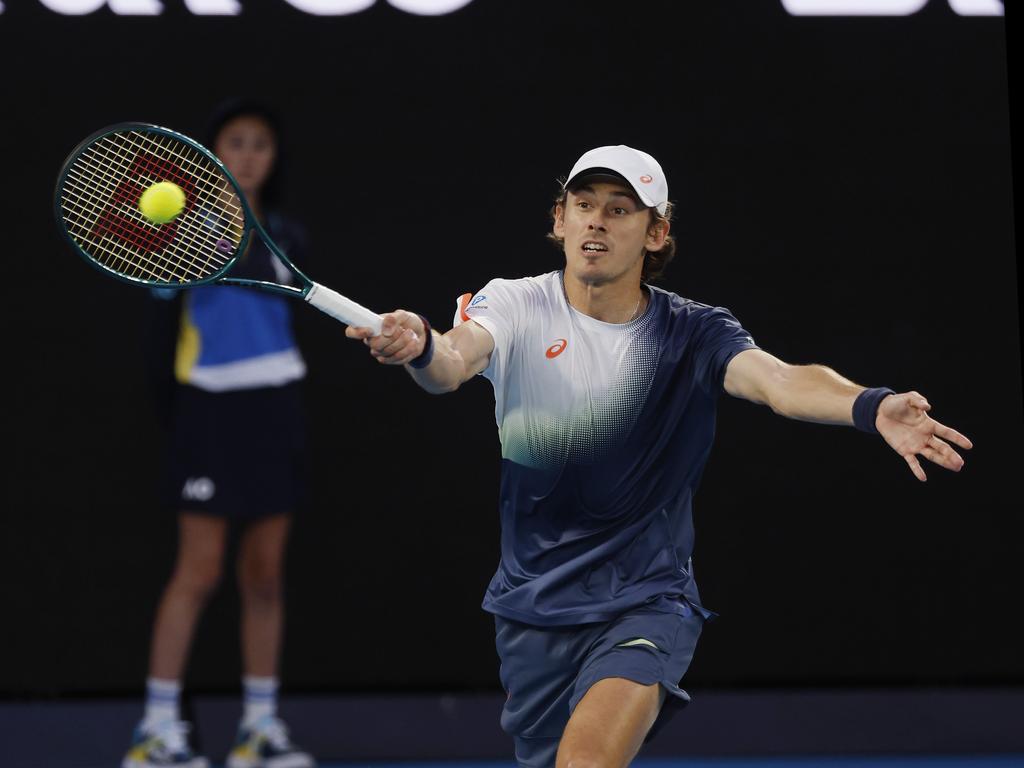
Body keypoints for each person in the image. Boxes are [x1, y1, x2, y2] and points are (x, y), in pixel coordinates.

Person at [344, 145, 973, 768]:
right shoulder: (514, 304)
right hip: (532, 604)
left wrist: (869, 405)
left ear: (656, 232)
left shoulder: (694, 332)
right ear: (560, 220)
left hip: (645, 599)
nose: (596, 221)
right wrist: (422, 345)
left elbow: (779, 381)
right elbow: (452, 364)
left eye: (620, 210)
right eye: (583, 204)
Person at [123, 100, 315, 768]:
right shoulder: (178, 231)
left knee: (264, 576)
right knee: (198, 571)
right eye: (235, 142)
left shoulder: (289, 231)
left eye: (261, 143)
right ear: (212, 154)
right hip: (209, 413)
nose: (248, 154)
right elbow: (157, 329)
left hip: (277, 407)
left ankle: (258, 731)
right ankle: (155, 734)